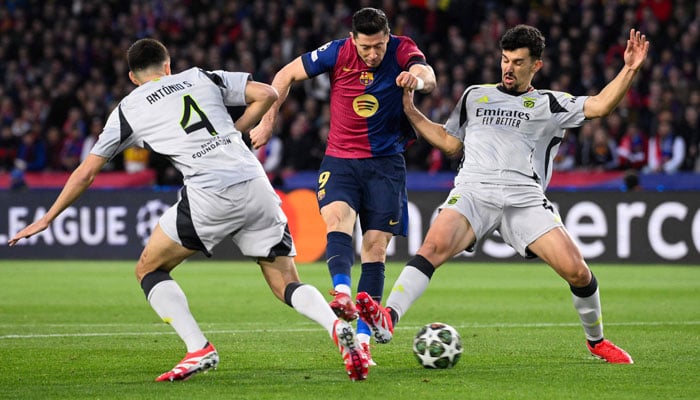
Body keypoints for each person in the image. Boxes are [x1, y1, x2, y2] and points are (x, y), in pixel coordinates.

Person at [8, 38, 369, 382]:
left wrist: (47, 217)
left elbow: (86, 173)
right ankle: (336, 328)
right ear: (168, 65)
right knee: (287, 282)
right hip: (255, 181)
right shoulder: (200, 76)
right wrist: (237, 130)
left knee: (149, 267)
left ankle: (198, 347)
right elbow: (269, 93)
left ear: (133, 78)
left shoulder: (129, 108)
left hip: (211, 192)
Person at [357, 25, 649, 364]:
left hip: (524, 199)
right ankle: (387, 319)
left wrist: (629, 68)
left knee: (577, 272)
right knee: (432, 247)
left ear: (536, 65)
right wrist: (409, 109)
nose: (508, 68)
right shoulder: (474, 96)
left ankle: (597, 342)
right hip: (473, 191)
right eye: (504, 60)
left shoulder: (550, 103)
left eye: (518, 62)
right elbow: (451, 142)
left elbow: (599, 106)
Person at [249, 7, 436, 364]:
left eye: (378, 46)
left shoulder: (401, 49)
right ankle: (340, 293)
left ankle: (362, 342)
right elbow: (285, 74)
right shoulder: (337, 52)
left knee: (375, 248)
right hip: (341, 160)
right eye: (366, 47)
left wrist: (418, 80)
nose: (372, 54)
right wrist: (268, 122)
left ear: (387, 37)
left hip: (386, 165)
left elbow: (427, 74)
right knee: (337, 219)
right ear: (353, 40)